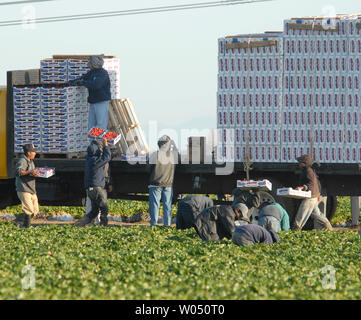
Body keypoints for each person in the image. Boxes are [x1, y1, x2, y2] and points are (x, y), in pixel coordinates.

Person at [69, 55, 111, 130]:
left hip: (101, 103)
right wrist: (71, 83)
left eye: (90, 62)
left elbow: (96, 85)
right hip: (93, 102)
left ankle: (99, 141)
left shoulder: (102, 73)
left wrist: (84, 82)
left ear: (94, 63)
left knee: (101, 125)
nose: (88, 64)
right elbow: (82, 78)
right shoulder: (92, 73)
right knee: (91, 126)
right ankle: (92, 141)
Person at [76, 137, 111, 227]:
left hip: (90, 189)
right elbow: (107, 157)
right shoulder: (95, 161)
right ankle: (103, 225)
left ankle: (80, 223)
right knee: (104, 208)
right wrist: (106, 146)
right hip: (97, 189)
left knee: (94, 211)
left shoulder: (89, 160)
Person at [294, 154, 333, 231]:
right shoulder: (310, 170)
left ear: (304, 163)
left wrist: (302, 187)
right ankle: (328, 227)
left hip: (310, 197)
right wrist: (318, 194)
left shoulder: (308, 171)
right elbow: (317, 183)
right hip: (314, 197)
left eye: (300, 162)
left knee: (300, 216)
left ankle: (295, 231)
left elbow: (311, 183)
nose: (298, 164)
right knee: (317, 215)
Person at [148, 135, 179, 227]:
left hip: (155, 183)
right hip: (168, 184)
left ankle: (154, 225)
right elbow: (178, 155)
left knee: (154, 205)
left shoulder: (155, 154)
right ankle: (167, 225)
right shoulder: (173, 155)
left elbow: (148, 168)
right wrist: (173, 144)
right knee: (167, 206)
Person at [13, 143, 40, 228]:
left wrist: (36, 174)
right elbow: (18, 172)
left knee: (35, 211)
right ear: (29, 153)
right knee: (29, 210)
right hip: (24, 189)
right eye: (33, 152)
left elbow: (30, 173)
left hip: (31, 189)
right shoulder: (23, 161)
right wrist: (30, 172)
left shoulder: (30, 161)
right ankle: (25, 227)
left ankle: (18, 221)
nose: (35, 153)